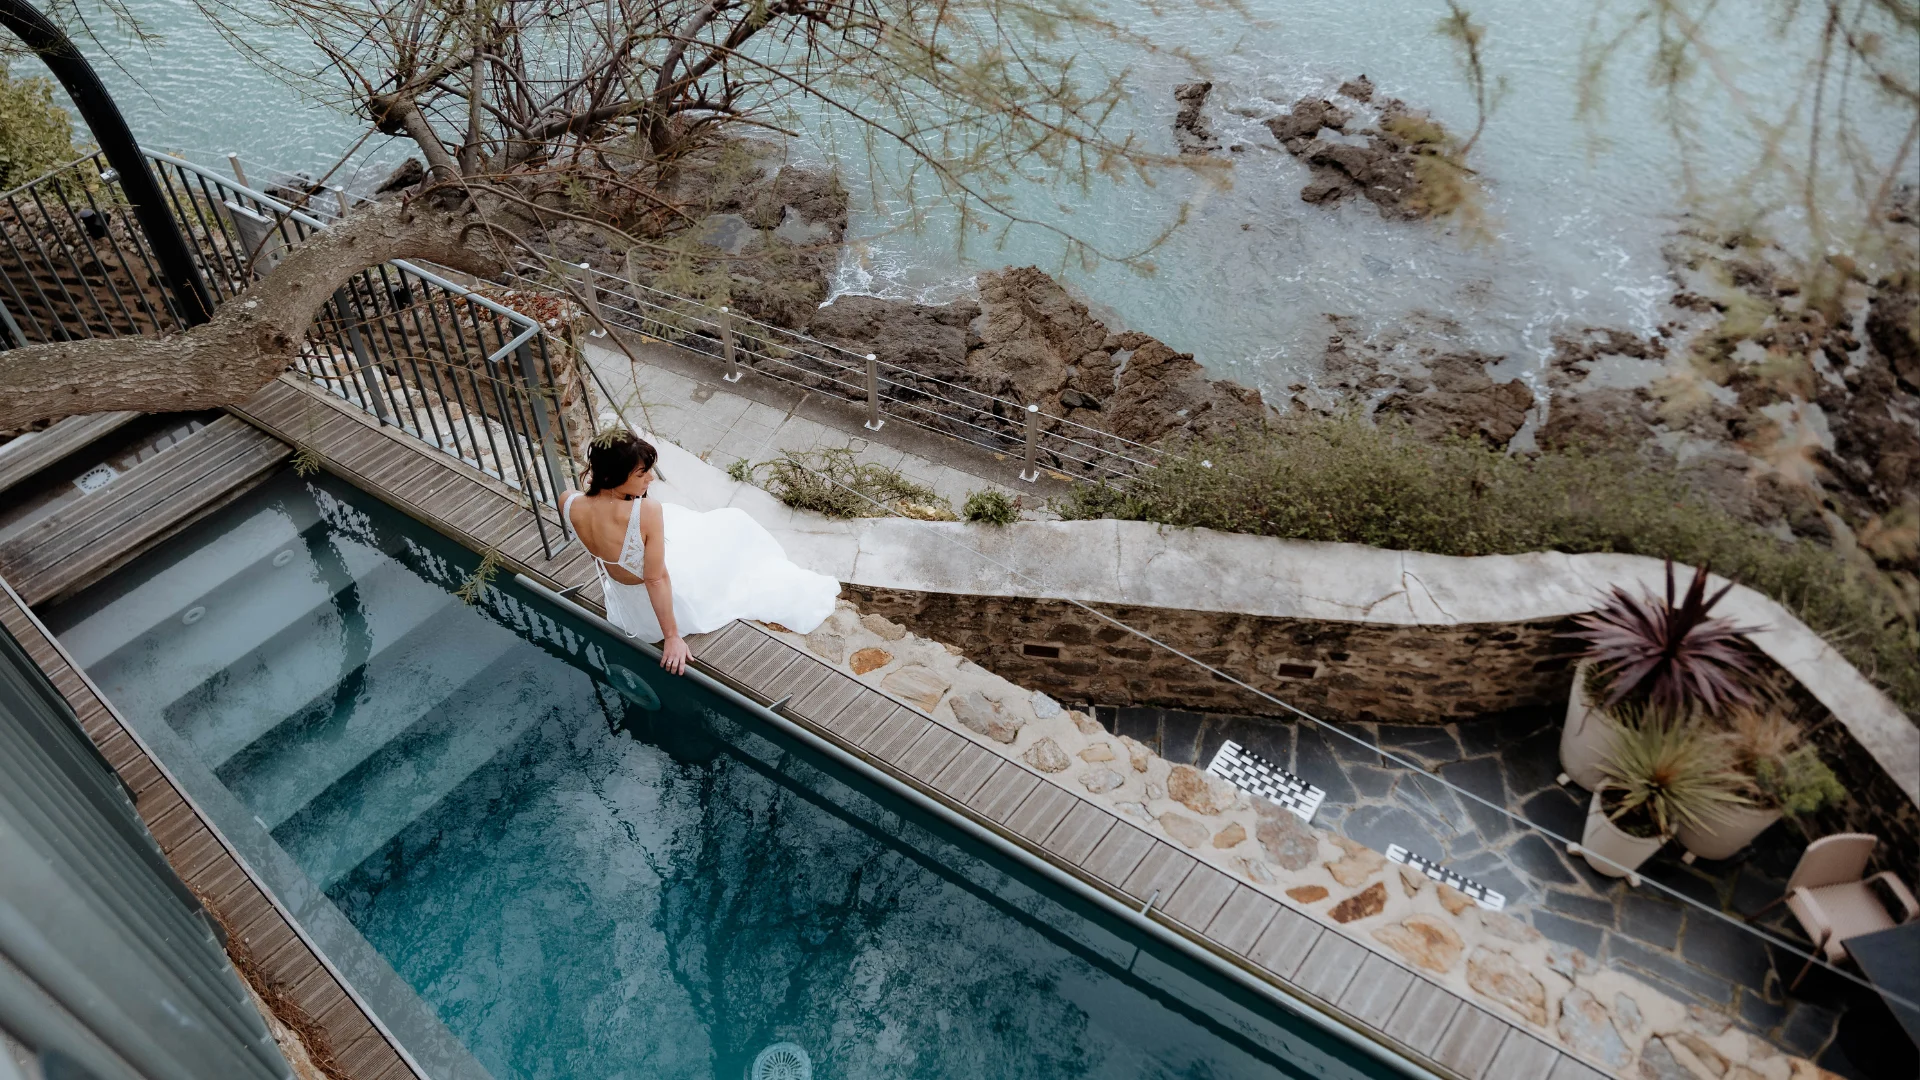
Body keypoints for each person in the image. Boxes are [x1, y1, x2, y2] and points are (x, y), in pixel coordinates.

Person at [561, 427, 840, 674]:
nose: (650, 479)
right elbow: (656, 579)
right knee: (734, 529)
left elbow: (601, 556)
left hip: (625, 608)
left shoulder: (569, 502)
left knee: (699, 529)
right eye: (642, 473)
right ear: (614, 475)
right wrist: (671, 637)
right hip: (662, 611)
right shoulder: (646, 511)